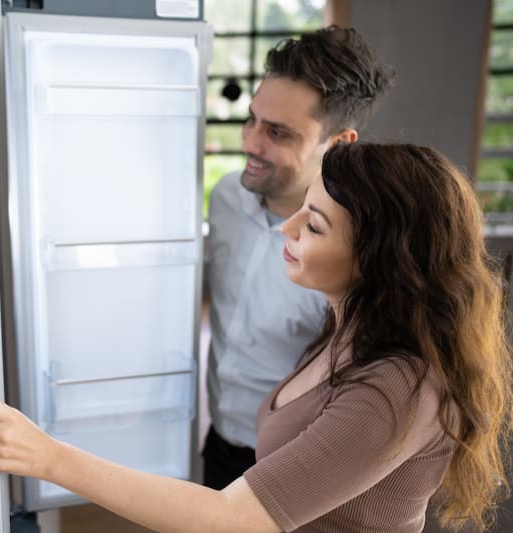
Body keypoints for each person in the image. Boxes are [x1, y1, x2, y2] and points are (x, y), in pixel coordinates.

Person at [0, 142, 512, 532]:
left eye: (314, 225)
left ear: (381, 261)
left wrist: (49, 459)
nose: (288, 227)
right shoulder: (349, 326)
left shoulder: (395, 390)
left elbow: (231, 520)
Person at [203, 25, 394, 489]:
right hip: (218, 442)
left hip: (295, 465)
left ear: (340, 143)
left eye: (278, 133)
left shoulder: (361, 251)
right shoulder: (227, 197)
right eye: (251, 119)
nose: (250, 142)